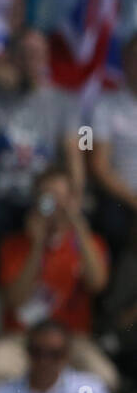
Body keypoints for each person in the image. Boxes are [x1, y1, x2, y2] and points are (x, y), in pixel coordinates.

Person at [0, 29, 83, 299]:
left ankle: (46, 307)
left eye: (37, 54)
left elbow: (74, 155)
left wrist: (75, 195)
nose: (31, 60)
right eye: (24, 54)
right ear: (11, 57)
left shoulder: (63, 101)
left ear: (46, 58)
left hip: (40, 197)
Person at [0, 167, 116, 391]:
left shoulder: (90, 243)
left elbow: (97, 284)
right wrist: (36, 245)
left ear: (73, 200)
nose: (54, 205)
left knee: (104, 378)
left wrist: (79, 227)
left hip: (72, 340)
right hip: (23, 339)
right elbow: (15, 300)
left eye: (61, 197)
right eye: (48, 197)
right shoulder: (15, 245)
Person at [87, 34, 137, 254]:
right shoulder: (104, 106)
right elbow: (99, 167)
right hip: (121, 196)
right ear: (125, 61)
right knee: (112, 224)